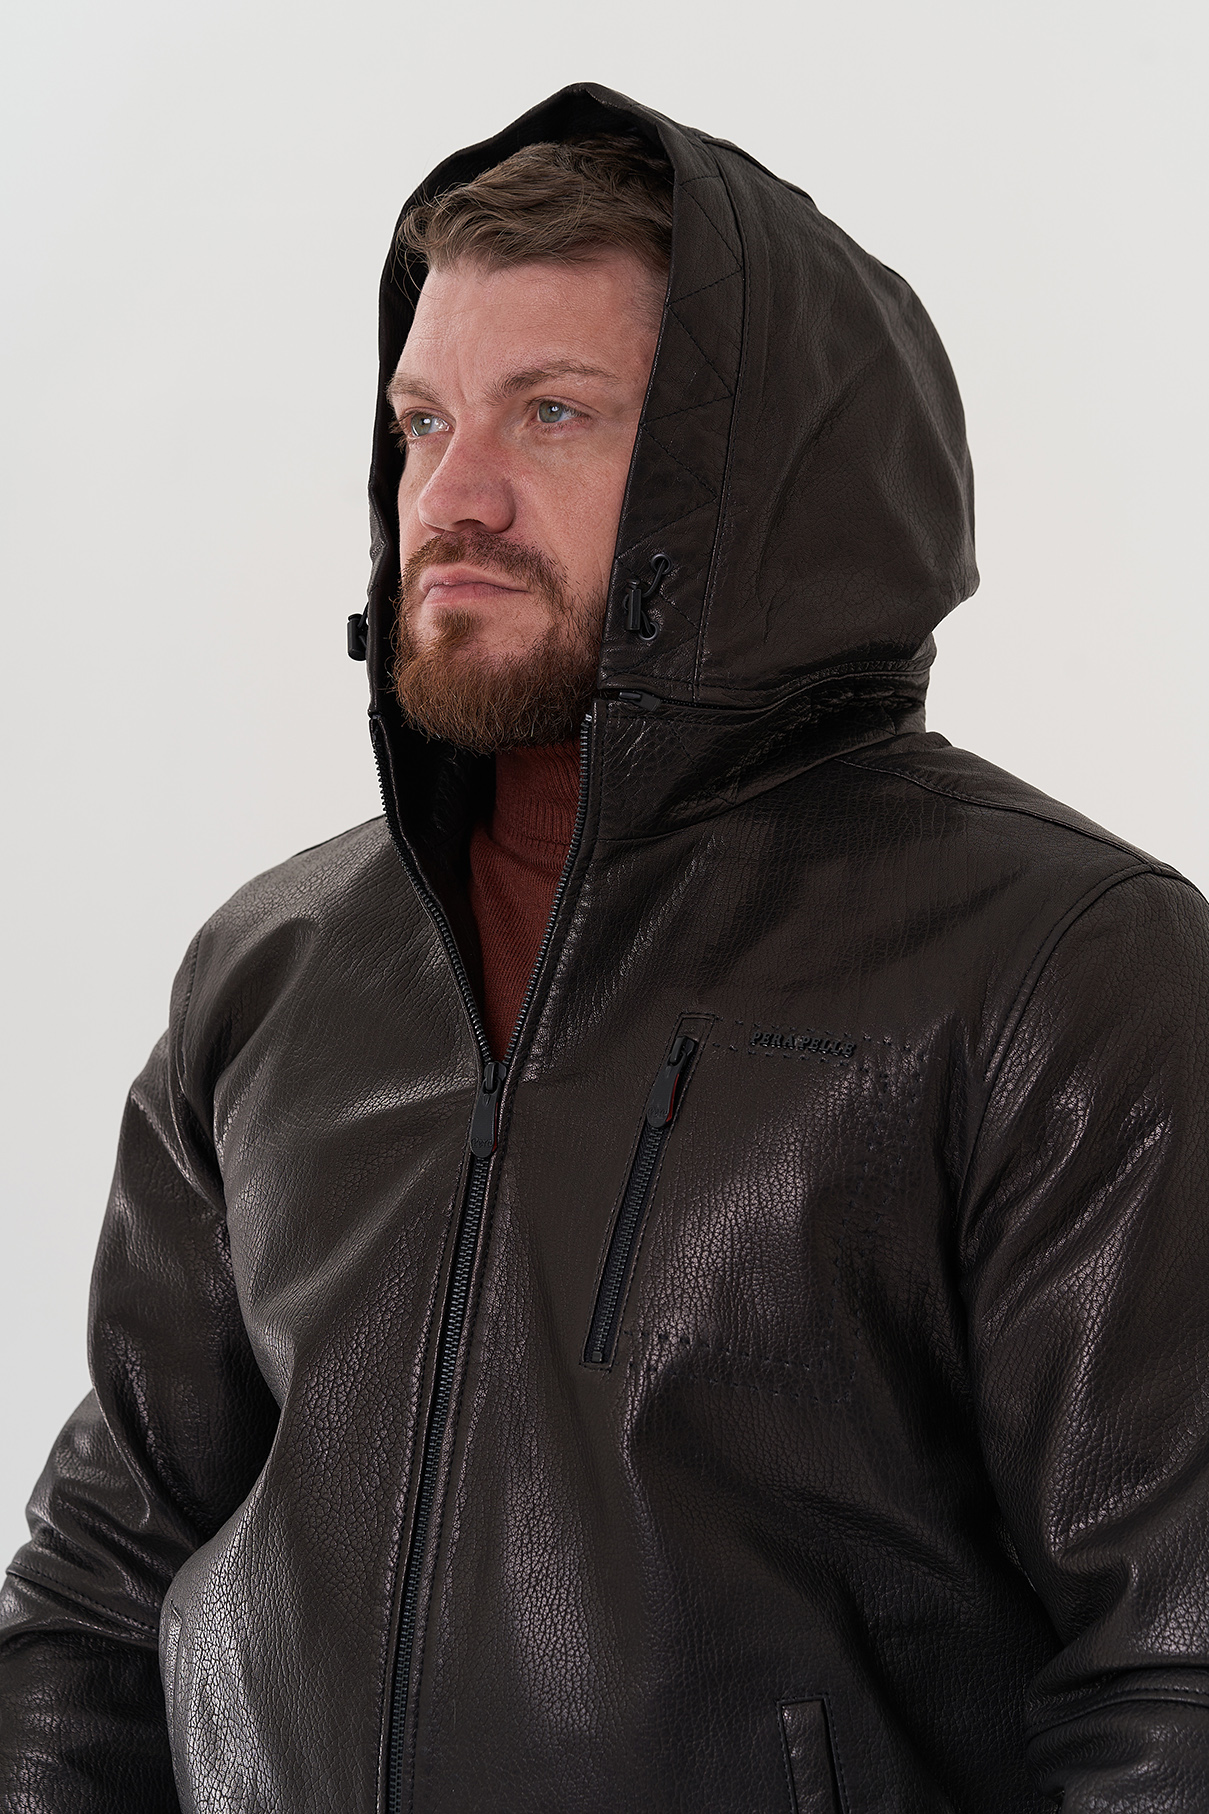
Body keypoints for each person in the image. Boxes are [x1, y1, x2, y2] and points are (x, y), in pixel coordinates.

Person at [1, 80, 1206, 1814]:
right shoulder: (273, 969)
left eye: (551, 413)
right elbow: (102, 1583)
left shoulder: (1056, 970)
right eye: (422, 422)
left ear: (755, 490)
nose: (453, 494)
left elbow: (1172, 1671)